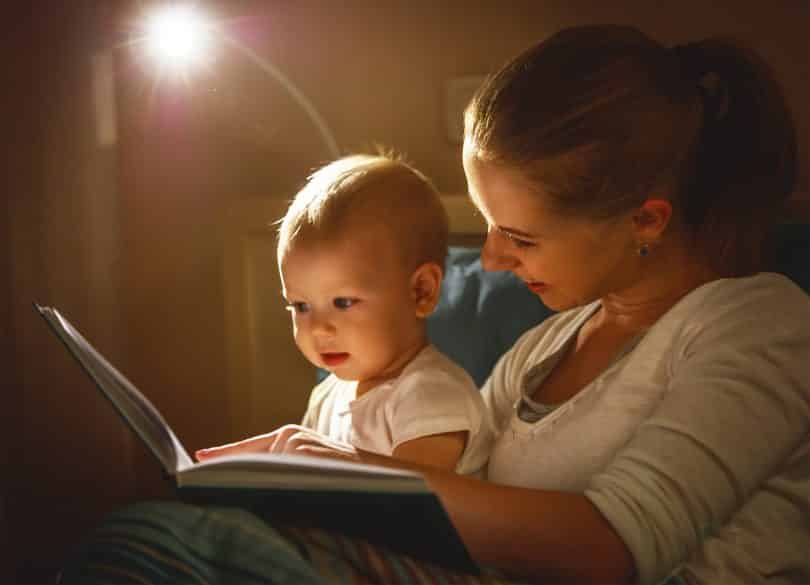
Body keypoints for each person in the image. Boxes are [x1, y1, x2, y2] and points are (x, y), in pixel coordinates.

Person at [60, 24, 809, 585]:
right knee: (157, 538)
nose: (489, 260)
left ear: (646, 219)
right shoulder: (545, 347)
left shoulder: (760, 325)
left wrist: (343, 480)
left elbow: (610, 547)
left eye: (519, 236)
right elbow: (458, 501)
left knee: (154, 548)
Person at [198, 153, 492, 474]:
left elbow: (412, 504)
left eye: (342, 302)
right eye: (301, 306)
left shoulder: (431, 394)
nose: (319, 329)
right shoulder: (327, 396)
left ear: (421, 291)